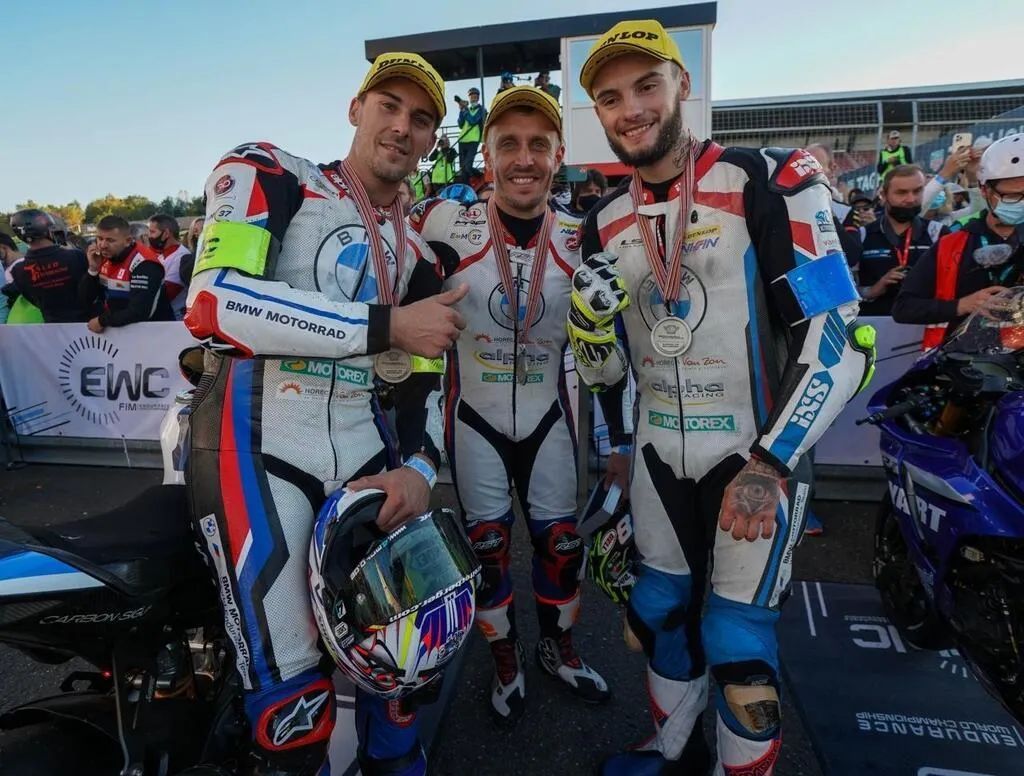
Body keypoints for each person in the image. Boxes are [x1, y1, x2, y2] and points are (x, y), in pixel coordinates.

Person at [568, 20, 870, 774]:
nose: (631, 109)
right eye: (611, 98)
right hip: (655, 457)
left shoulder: (769, 179)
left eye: (646, 86)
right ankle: (673, 755)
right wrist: (588, 332)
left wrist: (770, 464)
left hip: (752, 453)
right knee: (658, 614)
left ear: (683, 85)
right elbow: (605, 376)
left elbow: (841, 340)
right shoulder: (602, 222)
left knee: (738, 642)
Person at [183, 52, 469, 776]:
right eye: (388, 106)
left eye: (421, 119)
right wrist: (387, 325)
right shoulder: (271, 173)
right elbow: (215, 302)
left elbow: (425, 378)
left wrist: (420, 466)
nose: (401, 127)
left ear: (431, 140)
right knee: (293, 706)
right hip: (256, 449)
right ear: (355, 109)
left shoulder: (418, 249)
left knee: (402, 666)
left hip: (366, 456)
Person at [409, 85, 610, 727]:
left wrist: (621, 444)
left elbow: (614, 347)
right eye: (509, 145)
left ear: (558, 157)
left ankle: (559, 647)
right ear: (488, 156)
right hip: (475, 418)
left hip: (552, 418)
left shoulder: (585, 234)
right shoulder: (443, 222)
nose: (524, 159)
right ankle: (504, 659)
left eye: (538, 145)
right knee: (488, 549)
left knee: (562, 546)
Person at [893, 133, 1024, 347]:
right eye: (1012, 196)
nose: (1021, 203)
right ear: (984, 190)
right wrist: (963, 305)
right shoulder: (951, 244)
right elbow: (904, 308)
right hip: (962, 359)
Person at [854, 164, 945, 316]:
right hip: (874, 324)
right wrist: (873, 290)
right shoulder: (862, 235)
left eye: (917, 191)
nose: (911, 199)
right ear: (883, 195)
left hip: (923, 323)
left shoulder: (938, 233)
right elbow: (843, 291)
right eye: (901, 193)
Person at [79, 215, 174, 332]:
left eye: (110, 240)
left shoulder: (143, 262)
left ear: (128, 241)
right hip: (120, 331)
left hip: (153, 332)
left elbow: (138, 312)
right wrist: (93, 270)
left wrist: (102, 321)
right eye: (99, 238)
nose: (103, 245)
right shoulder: (103, 257)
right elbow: (85, 300)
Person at [5, 209, 91, 322]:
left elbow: (34, 301)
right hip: (88, 324)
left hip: (52, 327)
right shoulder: (76, 256)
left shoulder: (17, 271)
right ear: (47, 228)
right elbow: (91, 290)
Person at [148, 213, 192, 319]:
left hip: (174, 318)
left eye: (152, 232)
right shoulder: (161, 253)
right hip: (161, 314)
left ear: (166, 233)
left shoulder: (182, 256)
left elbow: (167, 293)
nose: (149, 236)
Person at [456, 87, 485, 183]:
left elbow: (473, 120)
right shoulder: (467, 109)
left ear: (478, 97)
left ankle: (481, 176)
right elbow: (460, 124)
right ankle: (466, 187)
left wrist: (465, 110)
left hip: (473, 140)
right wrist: (461, 110)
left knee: (468, 166)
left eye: (475, 96)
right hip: (462, 139)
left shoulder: (482, 109)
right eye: (471, 96)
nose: (473, 98)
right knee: (463, 169)